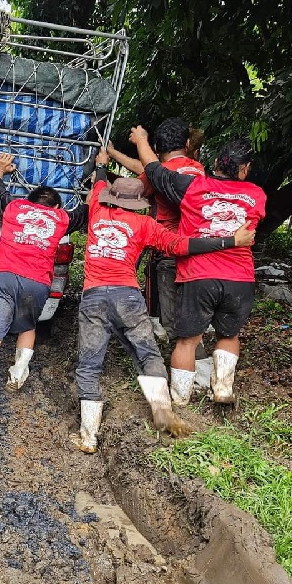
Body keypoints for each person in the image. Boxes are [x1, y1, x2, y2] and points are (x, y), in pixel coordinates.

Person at [69, 149, 256, 453]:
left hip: (93, 298)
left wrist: (102, 163)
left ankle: (88, 435)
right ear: (138, 203)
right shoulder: (145, 226)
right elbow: (182, 245)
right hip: (128, 297)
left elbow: (99, 181)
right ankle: (162, 412)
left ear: (110, 199)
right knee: (147, 353)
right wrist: (230, 241)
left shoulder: (96, 212)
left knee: (90, 365)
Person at [130, 127, 266, 407]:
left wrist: (142, 140)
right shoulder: (257, 194)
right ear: (244, 170)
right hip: (239, 277)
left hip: (198, 275)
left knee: (187, 341)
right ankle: (223, 390)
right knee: (229, 334)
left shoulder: (192, 187)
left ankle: (180, 399)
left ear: (214, 163)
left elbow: (154, 169)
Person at [0, 153, 87, 416]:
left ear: (29, 201)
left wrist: (0, 171)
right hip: (36, 283)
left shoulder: (14, 208)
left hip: (2, 278)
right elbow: (85, 211)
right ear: (56, 207)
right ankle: (18, 374)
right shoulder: (62, 219)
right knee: (28, 325)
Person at [106, 119, 211, 388]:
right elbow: (147, 168)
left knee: (176, 320)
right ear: (187, 145)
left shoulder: (160, 173)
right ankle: (206, 372)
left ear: (153, 146)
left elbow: (141, 181)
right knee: (193, 310)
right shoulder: (197, 169)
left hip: (168, 251)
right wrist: (117, 153)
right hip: (199, 252)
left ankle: (188, 381)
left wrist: (104, 174)